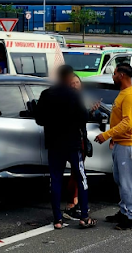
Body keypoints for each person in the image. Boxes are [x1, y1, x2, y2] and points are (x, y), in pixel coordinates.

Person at [35, 65, 97, 229]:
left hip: (54, 143)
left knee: (55, 179)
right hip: (72, 143)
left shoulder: (46, 94)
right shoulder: (74, 95)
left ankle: (57, 219)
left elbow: (39, 119)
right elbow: (83, 117)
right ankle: (84, 216)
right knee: (81, 177)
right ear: (69, 76)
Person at [94, 64, 132, 230]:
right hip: (122, 143)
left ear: (122, 75)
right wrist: (114, 138)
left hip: (130, 144)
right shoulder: (124, 93)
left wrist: (107, 134)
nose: (113, 75)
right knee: (121, 180)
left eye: (114, 73)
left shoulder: (130, 95)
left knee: (129, 182)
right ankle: (124, 211)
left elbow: (128, 123)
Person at [62, 74, 102, 220]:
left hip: (79, 139)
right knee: (77, 173)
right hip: (71, 142)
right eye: (71, 82)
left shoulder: (82, 98)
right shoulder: (67, 100)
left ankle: (75, 202)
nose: (74, 85)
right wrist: (88, 112)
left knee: (76, 172)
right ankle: (72, 205)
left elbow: (90, 117)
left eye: (77, 82)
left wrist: (92, 111)